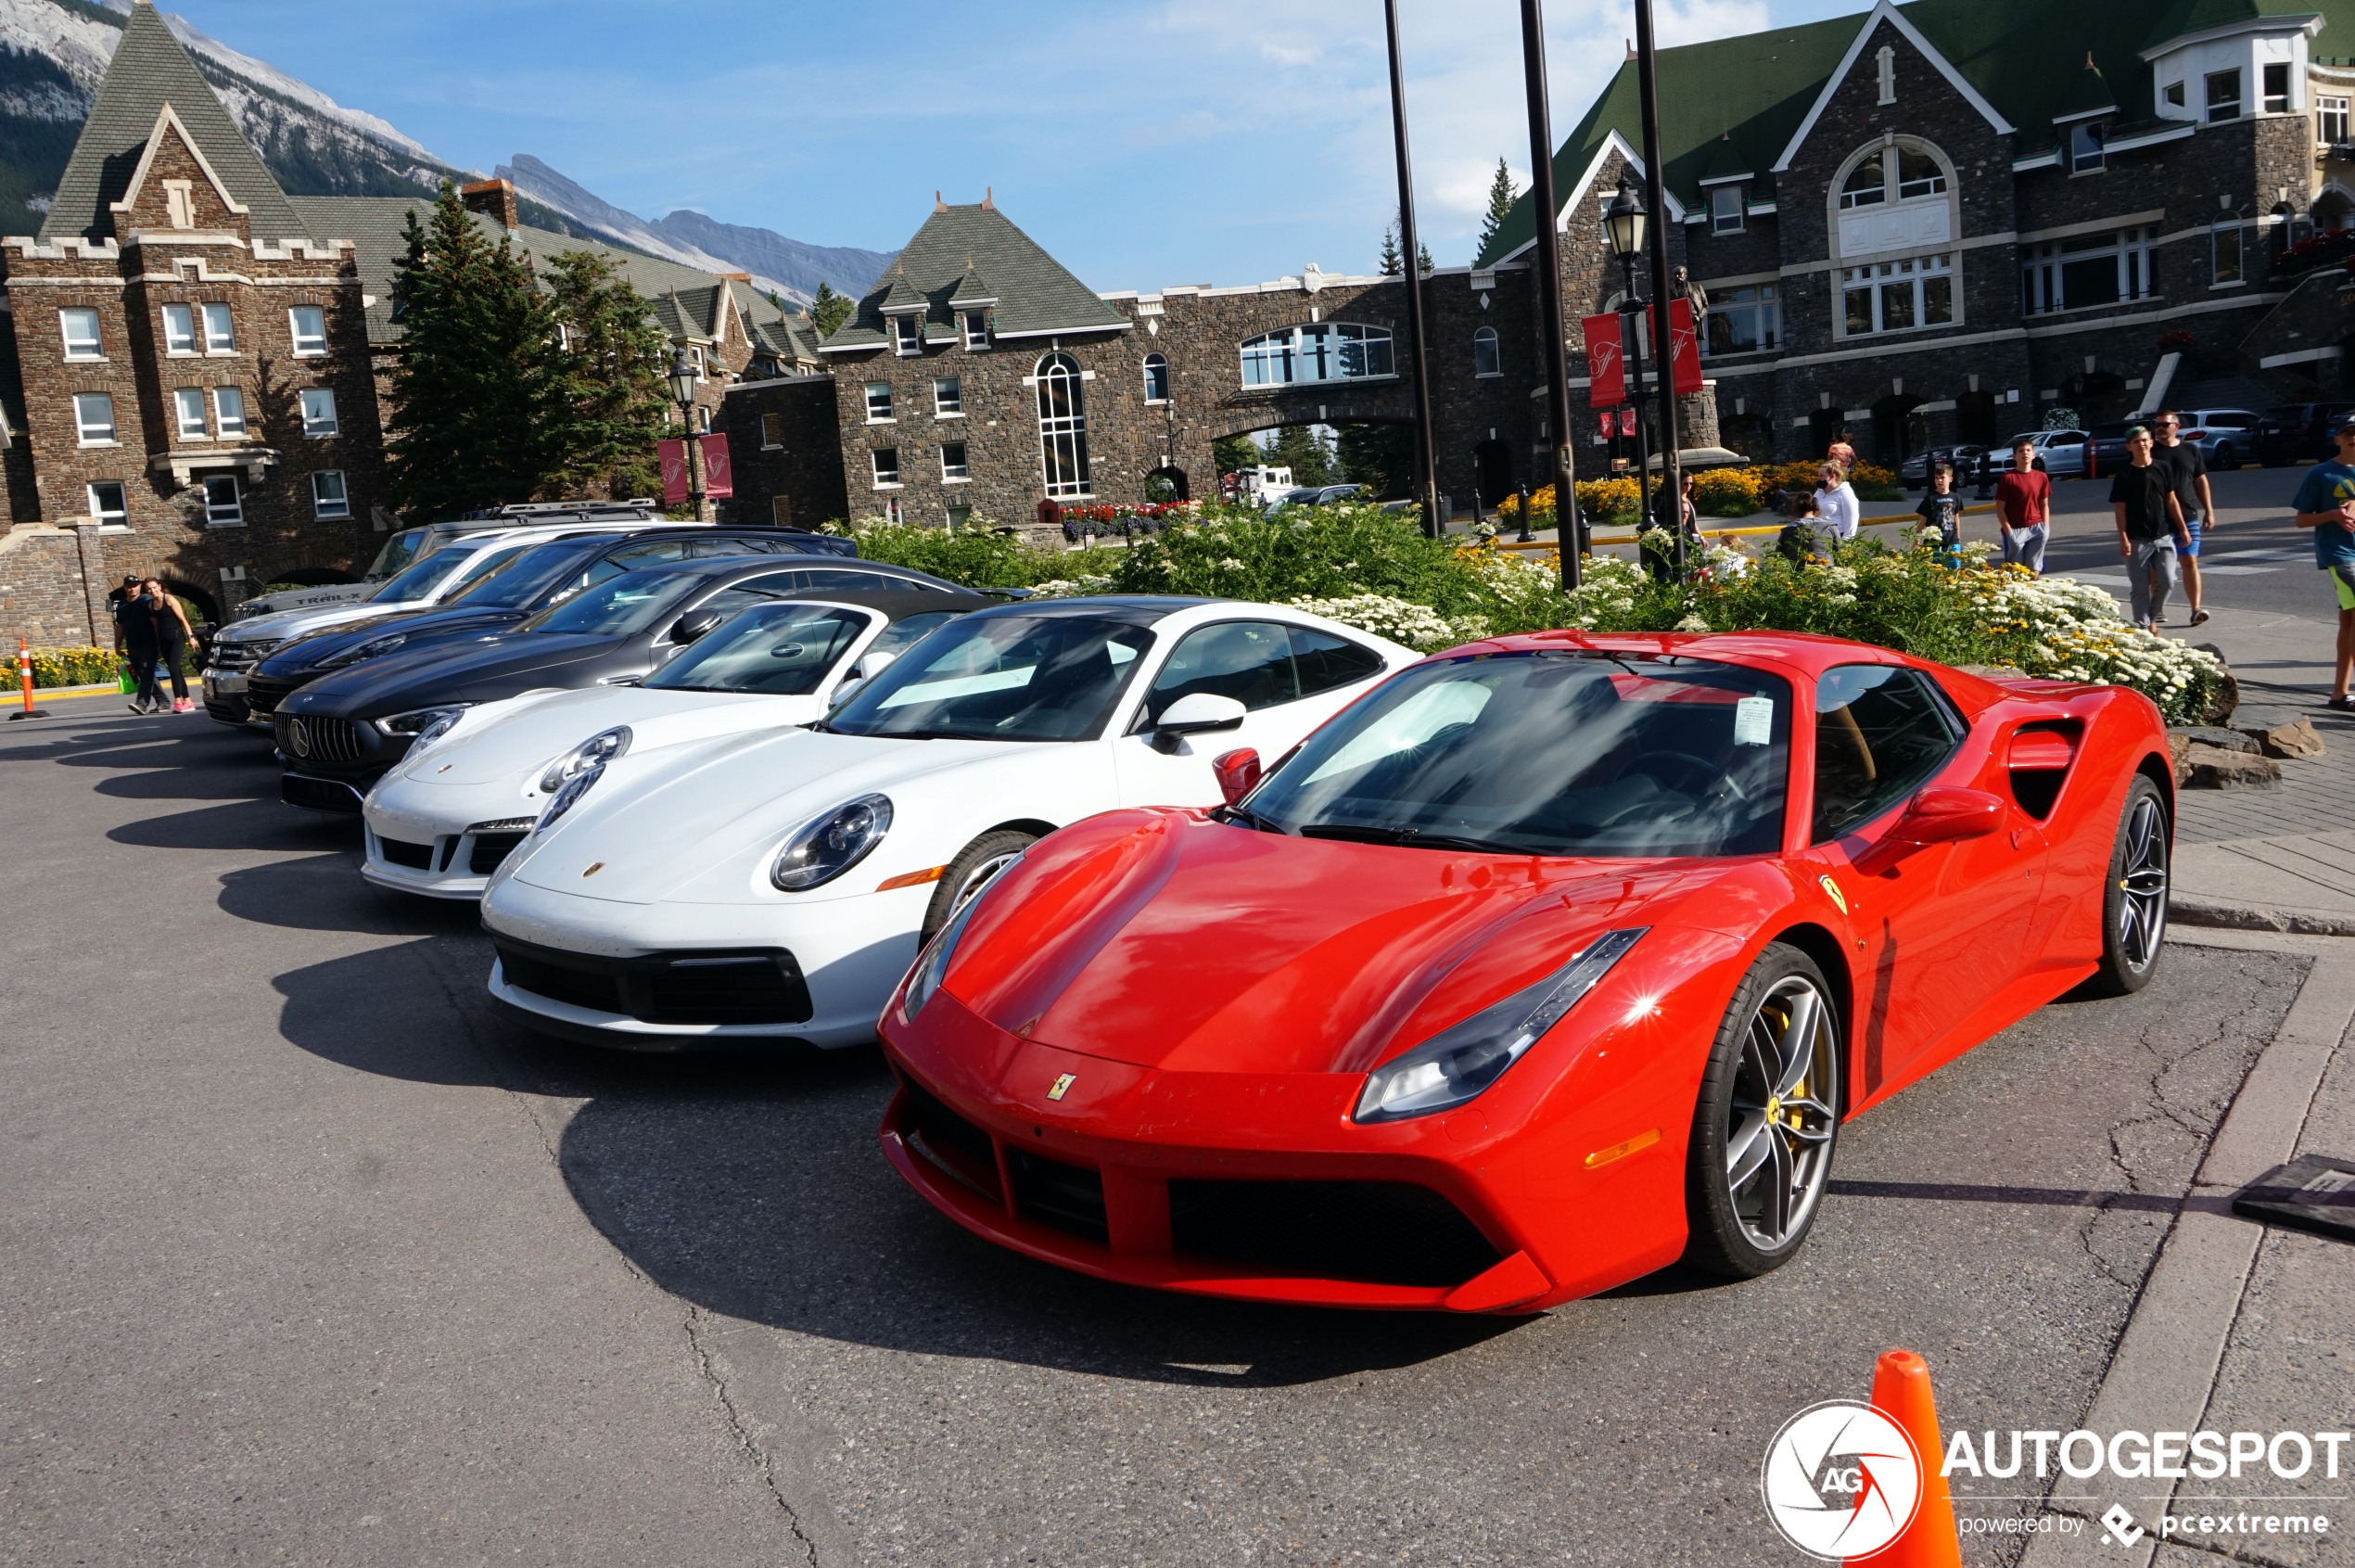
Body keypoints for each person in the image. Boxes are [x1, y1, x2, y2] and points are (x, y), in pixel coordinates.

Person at [2292, 415, 2355, 709]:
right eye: (2348, 433)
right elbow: (2302, 520)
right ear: (2337, 439)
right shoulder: (2322, 474)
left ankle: (2339, 694)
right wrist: (2332, 515)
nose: (2354, 438)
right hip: (2340, 554)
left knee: (2349, 620)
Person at [2111, 426, 2191, 632]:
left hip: (2163, 536)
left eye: (2144, 440)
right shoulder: (2124, 475)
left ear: (2151, 442)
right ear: (2129, 446)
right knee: (2140, 588)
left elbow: (2171, 501)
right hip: (2136, 539)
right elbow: (2120, 509)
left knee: (2168, 581)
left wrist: (2183, 529)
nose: (2141, 444)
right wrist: (2123, 538)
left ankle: (2152, 618)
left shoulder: (2163, 468)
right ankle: (2142, 629)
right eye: (2136, 442)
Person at [2150, 410, 2217, 626]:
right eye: (2157, 424)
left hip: (2188, 515)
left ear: (2176, 427)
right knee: (2158, 566)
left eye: (2164, 424)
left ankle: (2196, 609)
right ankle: (2157, 608)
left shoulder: (2190, 450)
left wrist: (2209, 509)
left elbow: (2200, 481)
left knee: (2190, 561)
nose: (2160, 428)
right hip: (2158, 517)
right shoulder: (2151, 451)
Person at [1995, 436, 2053, 574]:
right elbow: (1999, 508)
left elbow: (2044, 505)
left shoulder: (2041, 477)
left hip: (2037, 529)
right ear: (2014, 456)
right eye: (2021, 451)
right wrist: (2009, 532)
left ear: (2033, 455)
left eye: (2028, 450)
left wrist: (2045, 528)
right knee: (2017, 573)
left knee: (2034, 572)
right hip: (2015, 530)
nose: (2025, 453)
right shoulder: (2008, 478)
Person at [144, 577, 195, 713]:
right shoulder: (150, 606)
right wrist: (156, 643)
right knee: (176, 670)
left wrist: (191, 637)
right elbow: (155, 626)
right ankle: (188, 701)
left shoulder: (169, 599)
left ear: (159, 586)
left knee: (173, 669)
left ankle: (178, 701)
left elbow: (182, 619)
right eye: (149, 588)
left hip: (176, 637)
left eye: (154, 587)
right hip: (163, 639)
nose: (152, 590)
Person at [118, 580, 164, 714]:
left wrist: (159, 641)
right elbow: (119, 626)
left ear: (139, 587)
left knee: (146, 671)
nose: (132, 589)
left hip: (149, 644)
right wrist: (117, 645)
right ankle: (163, 701)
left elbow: (155, 622)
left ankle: (142, 704)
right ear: (125, 588)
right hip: (133, 645)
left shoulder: (146, 602)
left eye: (135, 586)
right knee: (144, 674)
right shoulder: (122, 605)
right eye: (129, 586)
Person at [1916, 459, 1963, 565]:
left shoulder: (1956, 497)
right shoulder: (1930, 499)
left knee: (1954, 572)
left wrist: (1958, 539)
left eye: (1942, 477)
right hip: (1933, 544)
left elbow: (1956, 518)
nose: (1939, 481)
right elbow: (1921, 522)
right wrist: (1917, 543)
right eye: (1937, 478)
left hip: (1952, 543)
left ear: (1950, 479)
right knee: (1935, 572)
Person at [1813, 463, 1859, 543]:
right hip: (1818, 536)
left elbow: (1851, 518)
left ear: (1832, 476)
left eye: (1821, 476)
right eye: (1818, 476)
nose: (1819, 479)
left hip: (1836, 537)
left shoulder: (1844, 493)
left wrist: (1846, 542)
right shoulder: (1819, 492)